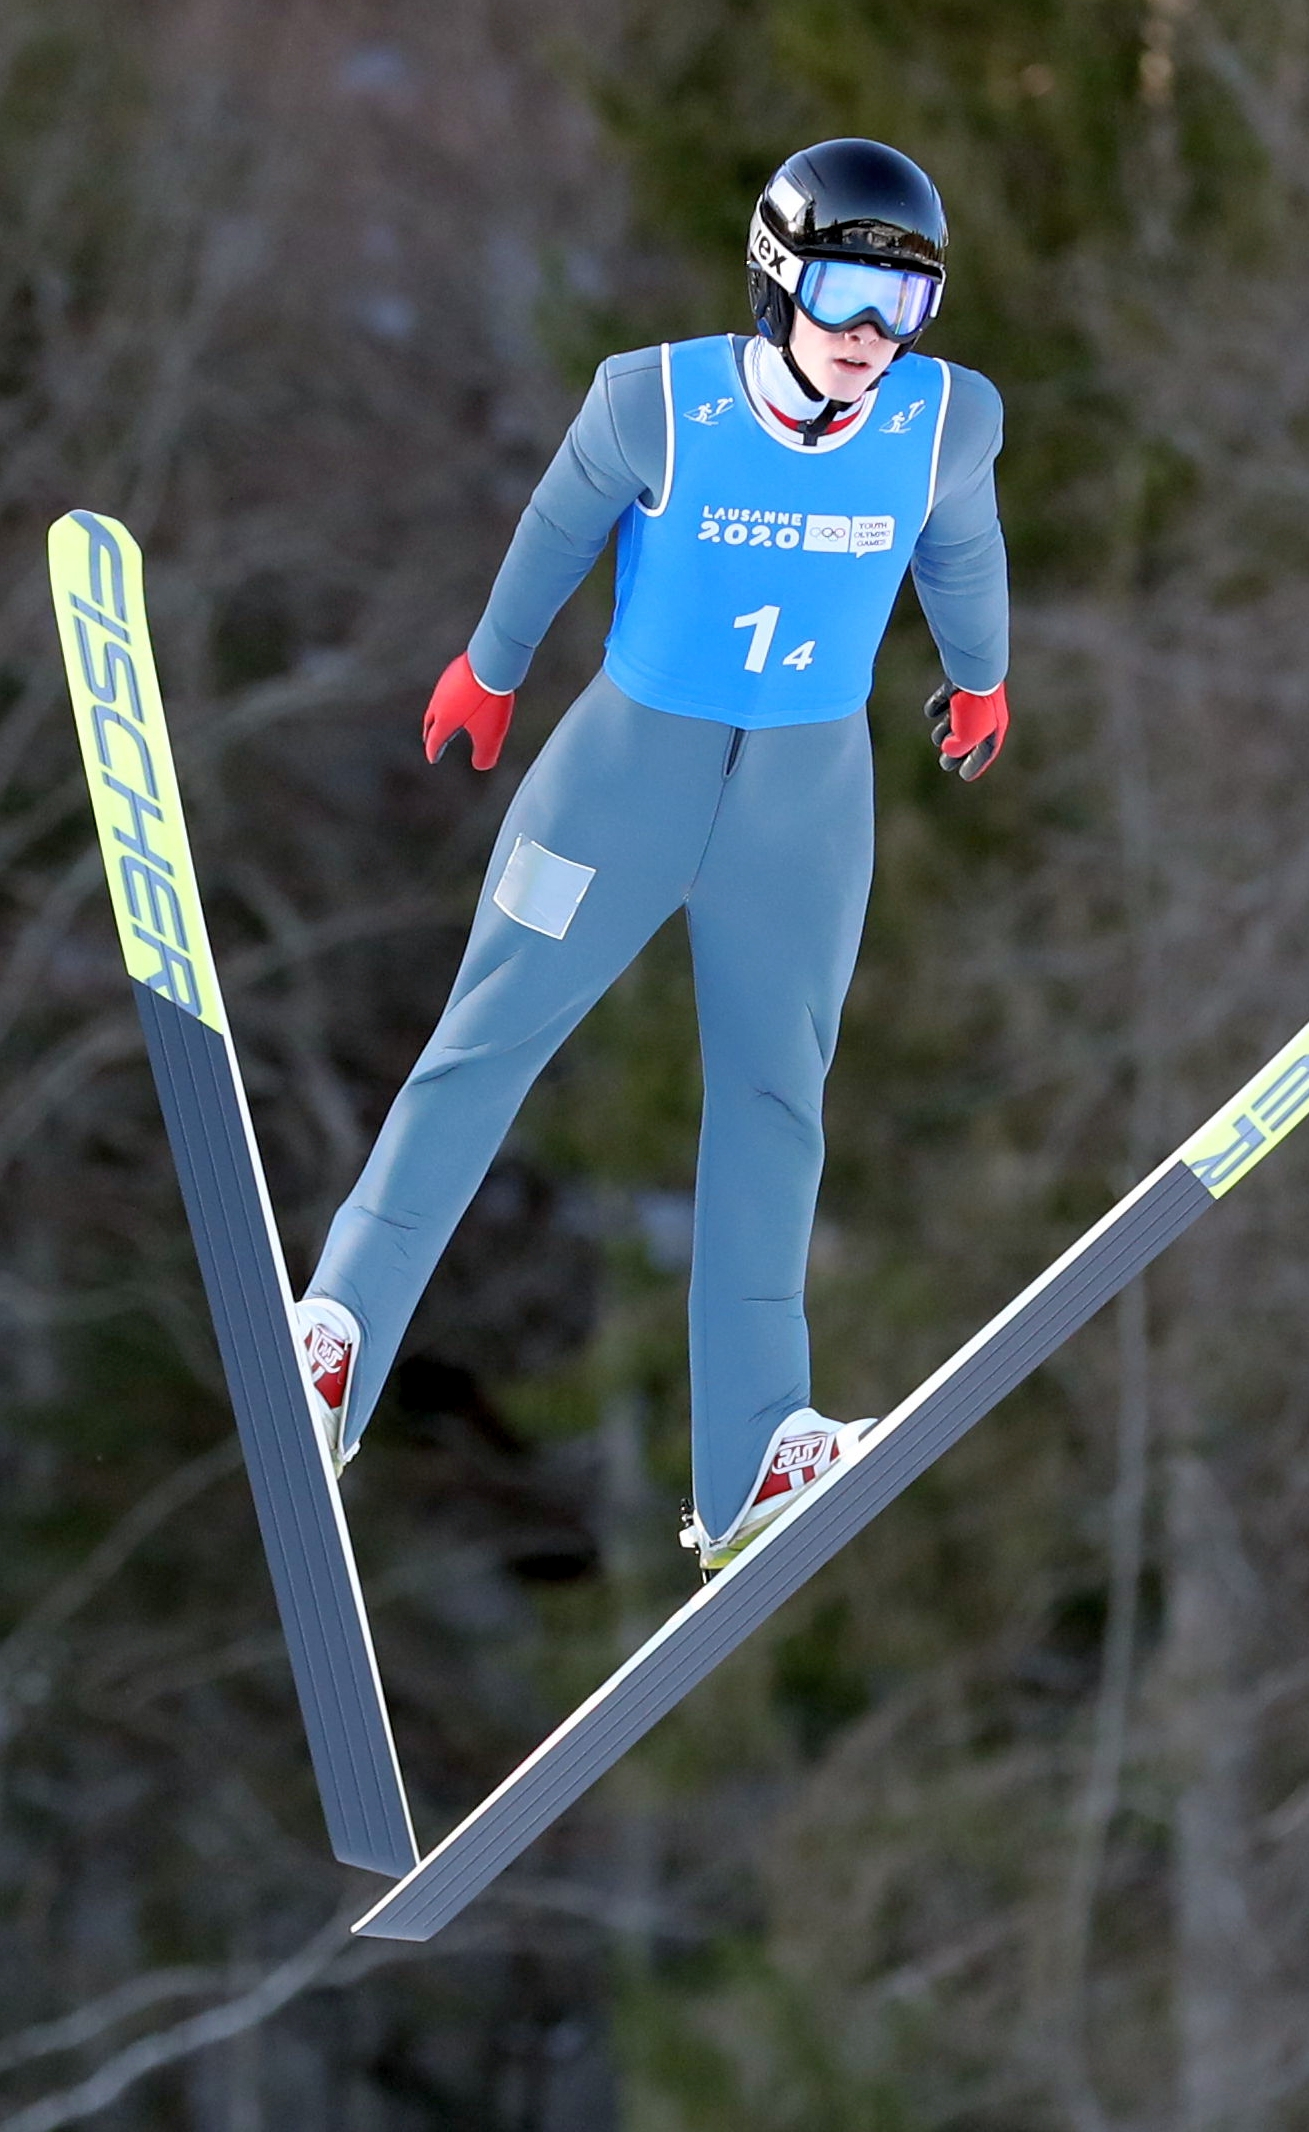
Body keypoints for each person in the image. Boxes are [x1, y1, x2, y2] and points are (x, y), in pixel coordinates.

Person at [295, 137, 1011, 1570]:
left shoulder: (944, 419)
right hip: (631, 767)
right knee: (491, 1033)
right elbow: (555, 529)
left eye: (905, 309)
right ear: (774, 282)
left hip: (804, 793)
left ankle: (752, 1457)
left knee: (773, 1095)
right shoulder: (658, 403)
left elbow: (959, 546)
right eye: (841, 298)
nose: (872, 340)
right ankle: (336, 1340)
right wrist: (491, 670)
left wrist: (979, 675)